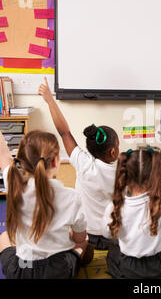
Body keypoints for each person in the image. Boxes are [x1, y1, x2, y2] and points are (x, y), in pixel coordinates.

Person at [0, 96, 92, 279]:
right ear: (56, 161)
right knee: (83, 241)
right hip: (59, 272)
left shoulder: (15, 186)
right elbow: (80, 239)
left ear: (22, 162)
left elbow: (2, 153)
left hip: (22, 273)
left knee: (4, 237)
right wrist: (75, 242)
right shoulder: (72, 197)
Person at [100, 111, 161, 279]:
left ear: (125, 176)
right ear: (155, 174)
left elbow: (107, 234)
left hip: (129, 269)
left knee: (114, 248)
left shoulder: (114, 207)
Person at [38, 77, 119, 250]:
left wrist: (50, 100)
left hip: (86, 235)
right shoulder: (123, 171)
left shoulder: (84, 164)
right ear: (113, 152)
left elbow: (64, 132)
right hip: (112, 236)